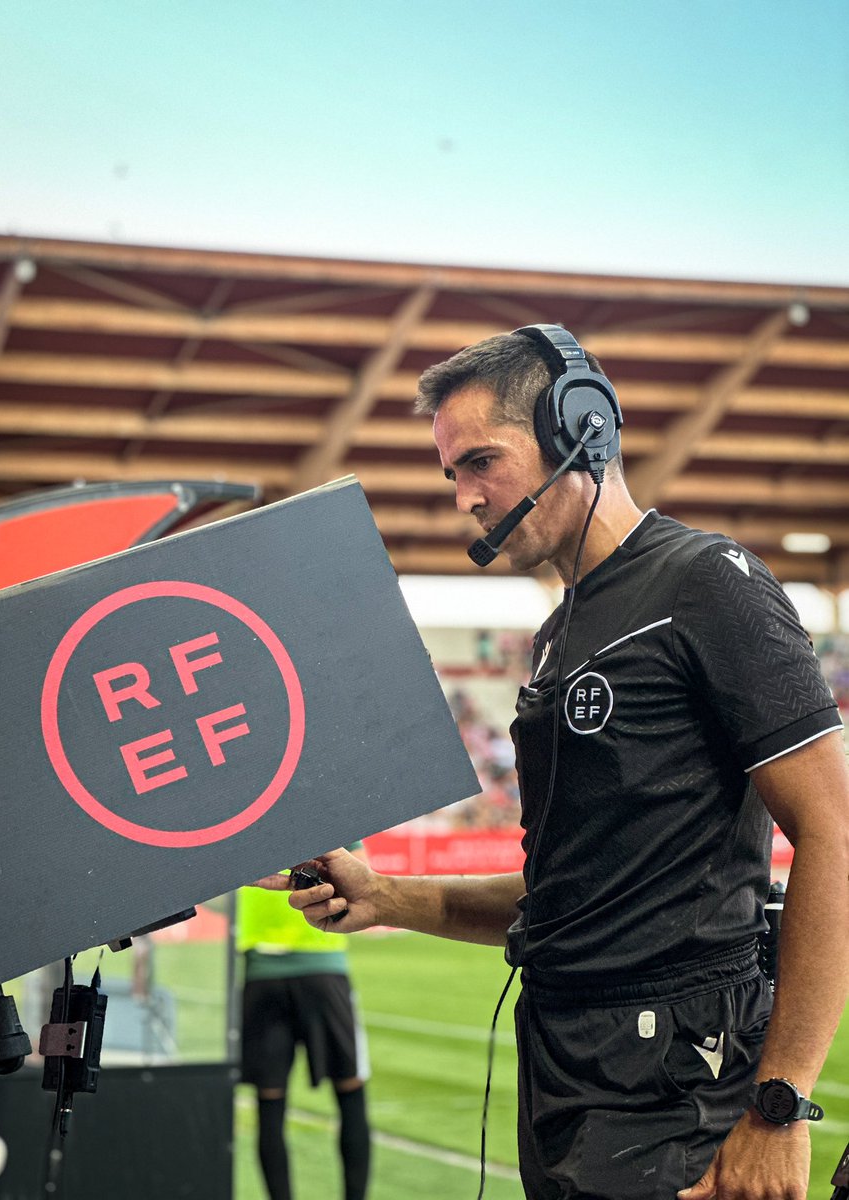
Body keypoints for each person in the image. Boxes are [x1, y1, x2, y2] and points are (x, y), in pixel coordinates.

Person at [260, 324, 849, 1200]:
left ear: (581, 428)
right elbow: (569, 898)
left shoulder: (709, 583)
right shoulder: (556, 636)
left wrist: (780, 1102)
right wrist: (387, 896)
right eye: (452, 472)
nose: (464, 496)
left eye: (480, 462)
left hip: (681, 1076)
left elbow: (834, 830)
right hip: (567, 1069)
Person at [237, 843, 371, 1200]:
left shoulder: (239, 824)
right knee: (350, 1089)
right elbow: (362, 880)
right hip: (322, 966)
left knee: (270, 1101)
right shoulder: (324, 812)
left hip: (261, 969)